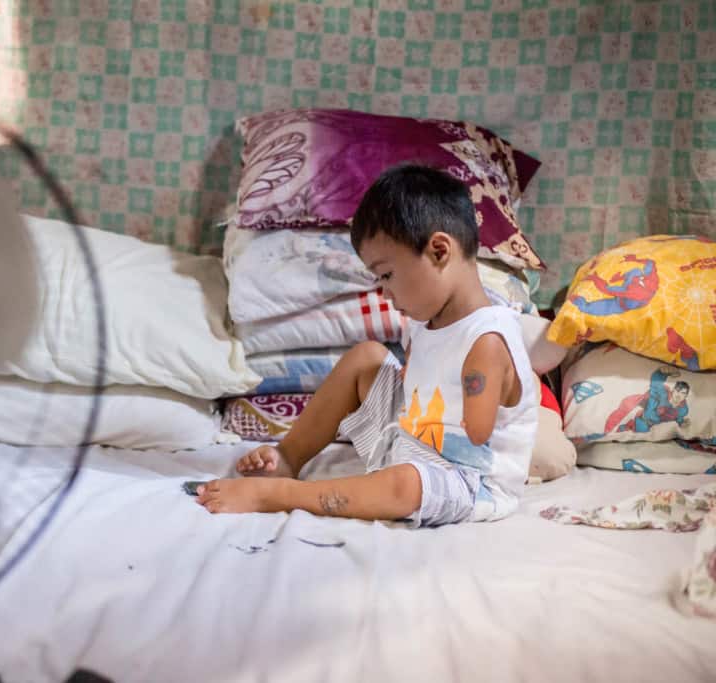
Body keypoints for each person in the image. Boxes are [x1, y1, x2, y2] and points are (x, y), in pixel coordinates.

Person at [196, 164, 538, 526]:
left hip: (467, 480)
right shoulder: (426, 321)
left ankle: (280, 495)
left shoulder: (486, 341)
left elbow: (476, 433)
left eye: (387, 275)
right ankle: (288, 458)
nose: (385, 292)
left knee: (405, 485)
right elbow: (421, 387)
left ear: (439, 251)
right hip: (414, 442)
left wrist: (468, 386)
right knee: (368, 358)